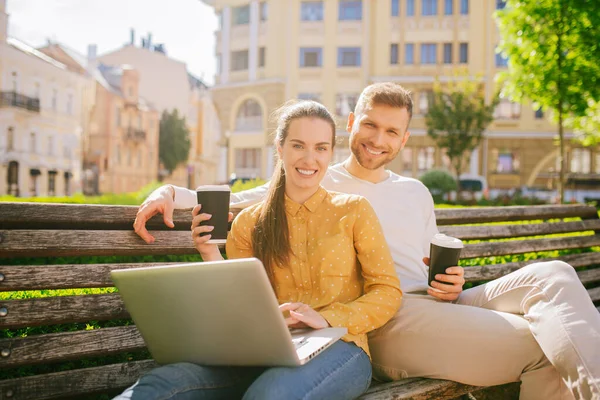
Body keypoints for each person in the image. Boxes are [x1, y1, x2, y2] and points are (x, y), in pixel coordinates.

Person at [134, 83, 600, 400]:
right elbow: (245, 199)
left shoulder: (415, 191)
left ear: (404, 139)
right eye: (370, 125)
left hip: (439, 306)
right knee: (551, 348)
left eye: (391, 132)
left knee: (555, 275)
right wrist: (171, 192)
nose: (379, 139)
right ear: (352, 122)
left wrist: (452, 283)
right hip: (387, 317)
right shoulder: (318, 176)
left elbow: (425, 266)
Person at [117, 101, 402, 400]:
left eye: (320, 148)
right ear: (279, 148)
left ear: (331, 153)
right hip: (261, 350)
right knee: (163, 385)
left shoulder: (354, 211)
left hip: (341, 348)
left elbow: (387, 291)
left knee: (272, 393)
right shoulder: (248, 222)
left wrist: (329, 318)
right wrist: (209, 254)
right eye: (298, 145)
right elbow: (239, 305)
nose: (309, 158)